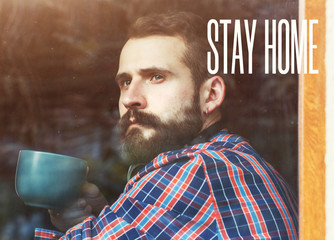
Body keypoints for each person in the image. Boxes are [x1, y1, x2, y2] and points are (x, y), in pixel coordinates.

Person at [35, 11, 298, 239]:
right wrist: (99, 220)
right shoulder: (233, 161)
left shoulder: (198, 168)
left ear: (211, 95)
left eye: (156, 77)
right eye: (125, 82)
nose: (129, 99)